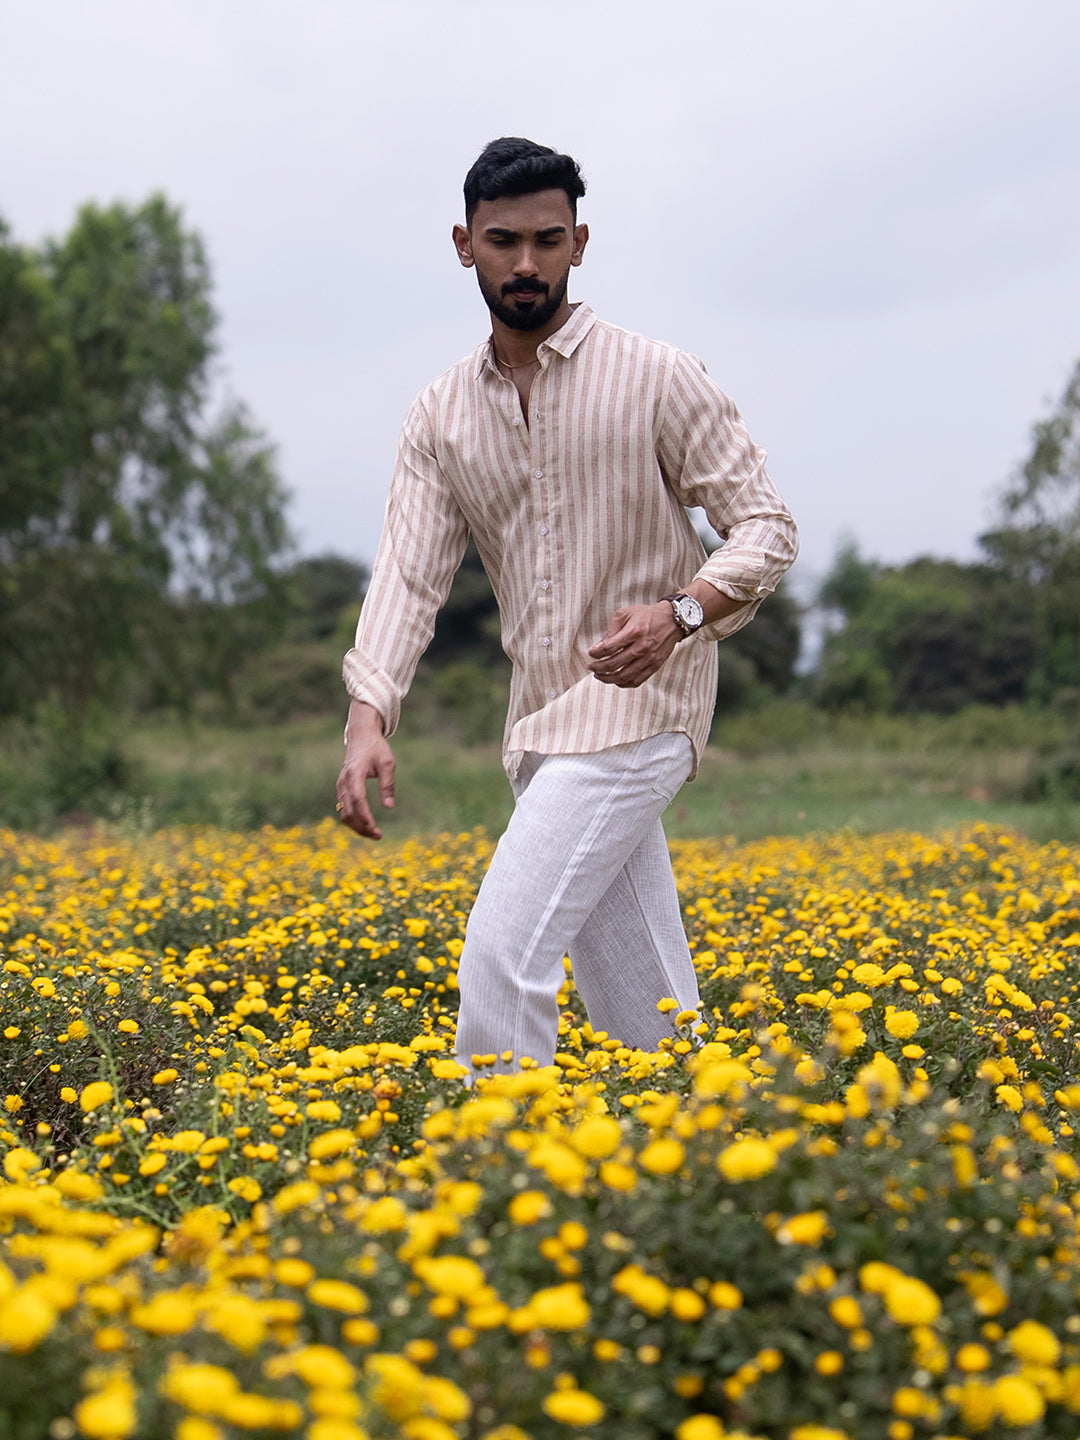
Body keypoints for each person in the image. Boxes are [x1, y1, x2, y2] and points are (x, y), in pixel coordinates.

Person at [337, 136, 798, 1076]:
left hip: (645, 715)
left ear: (580, 243)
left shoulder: (657, 375)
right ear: (464, 244)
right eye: (503, 241)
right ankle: (723, 1170)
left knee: (500, 961)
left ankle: (503, 1192)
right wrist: (368, 714)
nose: (526, 263)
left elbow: (767, 528)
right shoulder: (440, 417)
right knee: (652, 1020)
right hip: (541, 729)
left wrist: (683, 611)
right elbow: (408, 576)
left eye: (549, 240)